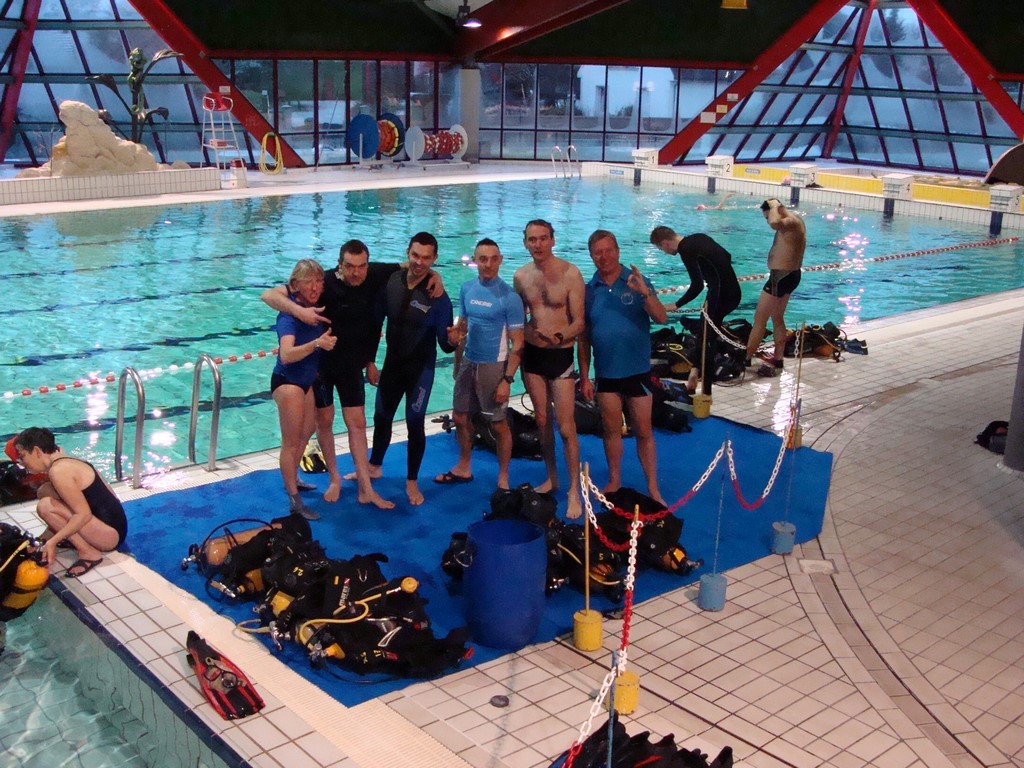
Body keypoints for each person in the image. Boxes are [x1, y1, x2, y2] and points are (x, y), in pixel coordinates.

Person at [262, 240, 443, 510]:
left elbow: (414, 265)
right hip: (322, 366)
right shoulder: (322, 282)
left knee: (357, 423)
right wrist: (300, 311)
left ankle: (365, 489)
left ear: (367, 264)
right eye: (349, 266)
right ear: (339, 265)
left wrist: (435, 275)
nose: (356, 272)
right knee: (325, 421)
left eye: (361, 266)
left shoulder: (376, 273)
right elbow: (269, 296)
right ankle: (335, 479)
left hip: (352, 366)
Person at [367, 232, 457, 506]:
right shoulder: (392, 281)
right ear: (408, 253)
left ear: (434, 258)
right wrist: (370, 361)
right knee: (381, 417)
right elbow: (375, 323)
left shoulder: (438, 297)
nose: (419, 262)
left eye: (426, 258)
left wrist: (453, 340)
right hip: (392, 366)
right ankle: (374, 466)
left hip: (420, 370)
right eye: (415, 255)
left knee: (415, 423)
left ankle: (412, 481)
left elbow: (445, 345)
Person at [578, 230, 668, 505]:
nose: (603, 256)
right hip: (606, 374)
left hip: (637, 372)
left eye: (608, 250)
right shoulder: (589, 290)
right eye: (597, 252)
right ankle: (615, 480)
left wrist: (645, 294)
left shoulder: (636, 281)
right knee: (611, 430)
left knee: (644, 431)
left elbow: (662, 318)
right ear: (591, 256)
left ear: (617, 251)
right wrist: (585, 377)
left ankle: (653, 487)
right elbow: (584, 338)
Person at [435, 238, 525, 490]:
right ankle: (464, 467)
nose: (488, 264)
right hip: (469, 361)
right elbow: (462, 328)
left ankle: (503, 476)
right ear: (475, 261)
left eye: (493, 259)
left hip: (493, 365)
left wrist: (507, 380)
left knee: (497, 423)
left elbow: (518, 343)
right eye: (483, 259)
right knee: (460, 416)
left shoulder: (509, 297)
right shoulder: (467, 289)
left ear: (500, 261)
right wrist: (457, 360)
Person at [513, 219, 585, 519]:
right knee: (542, 420)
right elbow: (518, 320)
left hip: (560, 355)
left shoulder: (570, 273)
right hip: (533, 357)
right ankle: (552, 477)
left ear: (553, 240)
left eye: (543, 238)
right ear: (525, 243)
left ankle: (574, 490)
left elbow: (579, 322)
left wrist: (557, 337)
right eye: (532, 239)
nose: (538, 244)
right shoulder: (521, 276)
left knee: (566, 427)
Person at [13, 427, 127, 578]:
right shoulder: (66, 459)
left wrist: (53, 542)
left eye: (22, 456)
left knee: (45, 506)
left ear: (37, 451)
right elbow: (110, 494)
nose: (22, 463)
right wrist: (44, 539)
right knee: (45, 491)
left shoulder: (59, 471)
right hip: (114, 525)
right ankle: (60, 537)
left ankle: (88, 553)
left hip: (110, 536)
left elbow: (84, 515)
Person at [271, 259, 337, 519]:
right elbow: (286, 355)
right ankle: (294, 501)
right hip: (288, 382)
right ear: (296, 285)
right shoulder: (289, 316)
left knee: (306, 432)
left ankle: (292, 478)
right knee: (290, 443)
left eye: (319, 281)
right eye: (308, 282)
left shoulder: (313, 309)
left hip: (306, 381)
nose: (315, 287)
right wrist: (317, 344)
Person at [650, 227, 742, 394]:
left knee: (707, 340)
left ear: (665, 243)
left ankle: (705, 391)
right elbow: (727, 256)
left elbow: (697, 285)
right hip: (734, 292)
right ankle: (694, 374)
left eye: (661, 249)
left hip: (719, 296)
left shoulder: (686, 249)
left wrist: (677, 304)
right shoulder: (699, 237)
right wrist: (714, 277)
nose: (664, 252)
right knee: (704, 334)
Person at [745, 198, 806, 377]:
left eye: (767, 216)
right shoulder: (792, 222)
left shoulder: (791, 221)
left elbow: (774, 223)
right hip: (789, 275)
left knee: (759, 319)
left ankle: (746, 358)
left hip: (781, 277)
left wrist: (773, 207)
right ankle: (778, 358)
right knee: (777, 317)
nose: (767, 221)